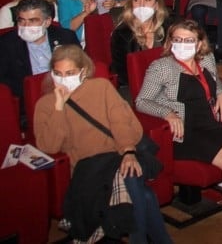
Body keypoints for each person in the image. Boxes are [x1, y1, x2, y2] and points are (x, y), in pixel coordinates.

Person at [135, 20, 222, 242]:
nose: (182, 44)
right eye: (177, 40)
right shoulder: (162, 67)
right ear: (170, 42)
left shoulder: (205, 59)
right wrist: (167, 113)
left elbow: (215, 84)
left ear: (199, 44)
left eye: (188, 40)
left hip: (208, 124)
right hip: (183, 132)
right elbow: (141, 101)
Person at [33, 45, 171, 244]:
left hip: (117, 155)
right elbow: (49, 146)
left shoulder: (101, 87)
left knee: (129, 172)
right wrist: (58, 108)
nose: (63, 78)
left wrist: (128, 151)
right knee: (143, 193)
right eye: (58, 73)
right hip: (86, 169)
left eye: (70, 73)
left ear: (83, 71)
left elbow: (120, 121)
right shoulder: (45, 105)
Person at [0, 0, 80, 99]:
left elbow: (81, 68)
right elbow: (3, 81)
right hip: (28, 99)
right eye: (21, 21)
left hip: (67, 94)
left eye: (32, 21)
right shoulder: (6, 43)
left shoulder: (66, 37)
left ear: (47, 22)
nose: (26, 26)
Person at [110, 0, 176, 97]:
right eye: (136, 0)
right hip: (135, 88)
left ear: (156, 5)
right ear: (131, 5)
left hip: (169, 84)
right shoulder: (121, 33)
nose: (141, 4)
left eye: (147, 0)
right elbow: (123, 74)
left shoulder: (170, 27)